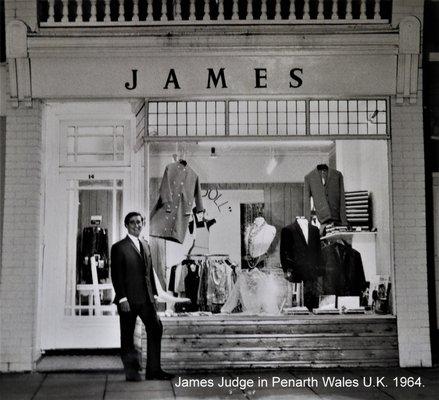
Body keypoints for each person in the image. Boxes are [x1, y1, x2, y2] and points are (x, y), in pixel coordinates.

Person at [111, 211, 174, 381]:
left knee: (156, 328)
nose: (137, 225)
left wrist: (154, 295)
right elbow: (116, 275)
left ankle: (154, 371)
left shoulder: (145, 245)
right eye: (132, 222)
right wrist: (122, 298)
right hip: (128, 301)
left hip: (146, 299)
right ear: (126, 225)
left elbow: (149, 274)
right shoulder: (119, 247)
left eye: (139, 222)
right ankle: (131, 373)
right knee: (127, 336)